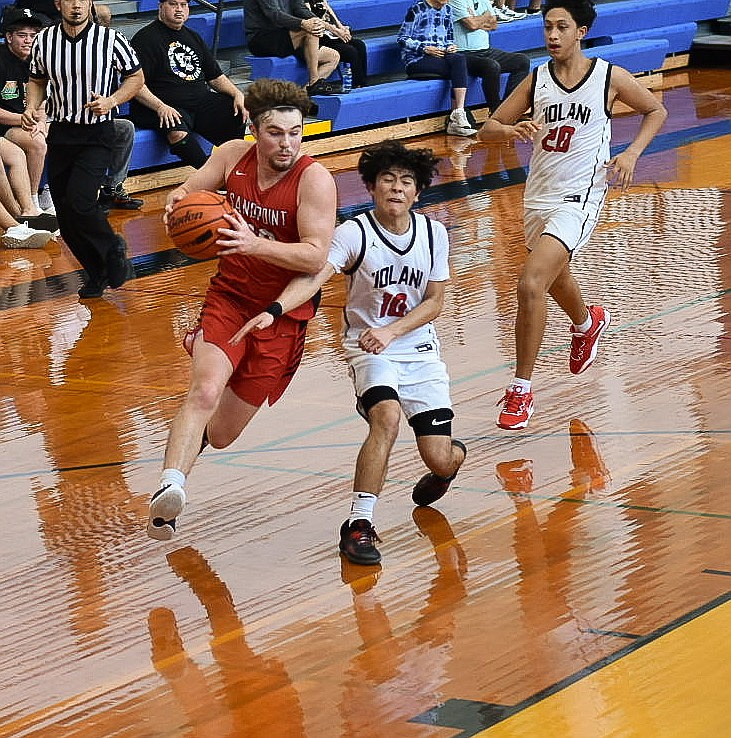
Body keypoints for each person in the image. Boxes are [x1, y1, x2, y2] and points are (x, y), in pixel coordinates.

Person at [233, 140, 467, 565]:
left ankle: (450, 463)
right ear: (372, 188)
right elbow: (315, 275)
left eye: (406, 182)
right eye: (387, 180)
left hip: (419, 351)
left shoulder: (434, 234)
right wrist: (275, 309)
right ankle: (359, 524)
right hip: (368, 350)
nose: (396, 188)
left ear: (418, 192)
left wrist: (394, 331)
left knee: (439, 456)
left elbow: (435, 302)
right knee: (386, 419)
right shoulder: (354, 232)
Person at [146, 78, 337, 541]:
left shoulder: (314, 181)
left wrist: (253, 244)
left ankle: (187, 459)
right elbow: (189, 194)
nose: (287, 142)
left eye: (295, 132)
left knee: (225, 432)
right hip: (229, 297)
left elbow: (315, 256)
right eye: (276, 132)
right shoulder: (232, 156)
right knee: (205, 391)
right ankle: (169, 492)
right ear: (255, 129)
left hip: (283, 315)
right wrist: (177, 202)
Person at [477, 0, 667, 430]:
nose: (552, 35)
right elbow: (488, 129)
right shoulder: (536, 79)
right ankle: (587, 322)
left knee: (531, 282)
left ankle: (521, 390)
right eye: (547, 27)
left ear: (581, 31)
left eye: (562, 27)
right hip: (538, 196)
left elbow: (656, 110)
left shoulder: (607, 77)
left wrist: (632, 153)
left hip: (582, 194)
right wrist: (509, 129)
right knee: (555, 274)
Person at [23, 0, 143, 298]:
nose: (76, 5)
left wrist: (112, 101)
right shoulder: (44, 40)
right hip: (62, 131)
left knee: (80, 201)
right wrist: (30, 106)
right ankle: (96, 271)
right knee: (64, 214)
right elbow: (37, 80)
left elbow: (136, 78)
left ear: (90, 3)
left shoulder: (110, 39)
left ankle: (113, 247)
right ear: (58, 4)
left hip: (97, 132)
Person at [130, 0, 248, 170]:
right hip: (161, 105)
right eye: (173, 4)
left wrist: (237, 94)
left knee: (235, 110)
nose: (179, 10)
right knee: (175, 128)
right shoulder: (145, 38)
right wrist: (160, 106)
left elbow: (215, 76)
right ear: (161, 6)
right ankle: (210, 176)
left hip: (198, 103)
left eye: (183, 5)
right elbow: (135, 84)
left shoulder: (193, 36)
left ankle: (235, 170)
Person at [0, 7, 58, 223]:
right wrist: (25, 120)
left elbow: (42, 100)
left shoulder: (37, 60)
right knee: (37, 143)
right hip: (6, 126)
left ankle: (49, 194)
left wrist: (41, 121)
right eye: (22, 35)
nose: (28, 41)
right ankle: (31, 201)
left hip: (25, 121)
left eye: (33, 36)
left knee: (66, 132)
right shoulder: (2, 60)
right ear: (8, 37)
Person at [397, 0, 478, 137]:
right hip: (418, 59)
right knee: (459, 70)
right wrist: (424, 48)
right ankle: (456, 119)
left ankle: (458, 112)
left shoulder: (447, 10)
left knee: (459, 59)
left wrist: (451, 46)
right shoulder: (417, 9)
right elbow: (402, 38)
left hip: (441, 56)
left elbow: (449, 38)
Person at [449, 0, 530, 115]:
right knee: (491, 66)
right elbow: (471, 25)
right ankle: (496, 112)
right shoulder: (455, 1)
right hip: (463, 54)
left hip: (486, 50)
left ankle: (508, 110)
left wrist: (476, 19)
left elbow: (493, 24)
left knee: (522, 61)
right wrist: (485, 16)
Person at [244, 0, 341, 96]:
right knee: (311, 31)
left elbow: (300, 8)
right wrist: (303, 23)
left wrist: (321, 23)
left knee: (333, 57)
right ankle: (314, 81)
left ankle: (303, 94)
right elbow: (274, 14)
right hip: (261, 38)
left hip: (287, 35)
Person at [304, 0, 368, 88]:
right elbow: (312, 19)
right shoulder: (303, 3)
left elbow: (329, 10)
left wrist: (341, 27)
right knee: (350, 51)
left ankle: (362, 84)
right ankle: (355, 86)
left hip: (329, 33)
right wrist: (336, 31)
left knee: (359, 45)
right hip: (317, 37)